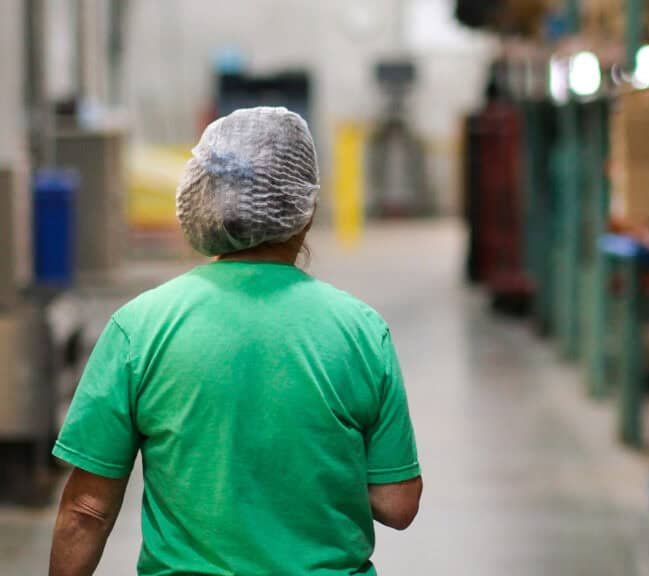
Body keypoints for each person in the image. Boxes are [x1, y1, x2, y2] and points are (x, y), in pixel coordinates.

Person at [49, 107, 422, 576]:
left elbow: (86, 511)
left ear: (203, 200)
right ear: (304, 209)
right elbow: (397, 501)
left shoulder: (140, 326)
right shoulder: (361, 331)